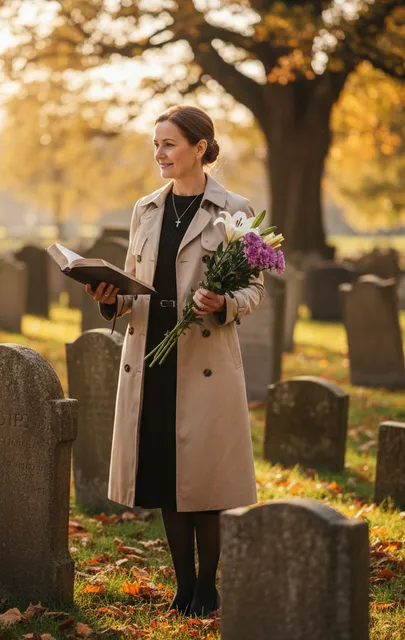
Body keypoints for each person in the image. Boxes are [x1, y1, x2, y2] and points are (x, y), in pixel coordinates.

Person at [84, 105, 264, 617]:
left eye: (168, 144)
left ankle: (209, 585)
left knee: (205, 483)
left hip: (204, 357)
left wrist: (224, 304)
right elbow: (131, 282)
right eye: (155, 144)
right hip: (151, 355)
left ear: (200, 148)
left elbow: (254, 289)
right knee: (165, 474)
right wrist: (107, 297)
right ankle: (183, 586)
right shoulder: (145, 209)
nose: (159, 154)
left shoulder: (235, 209)